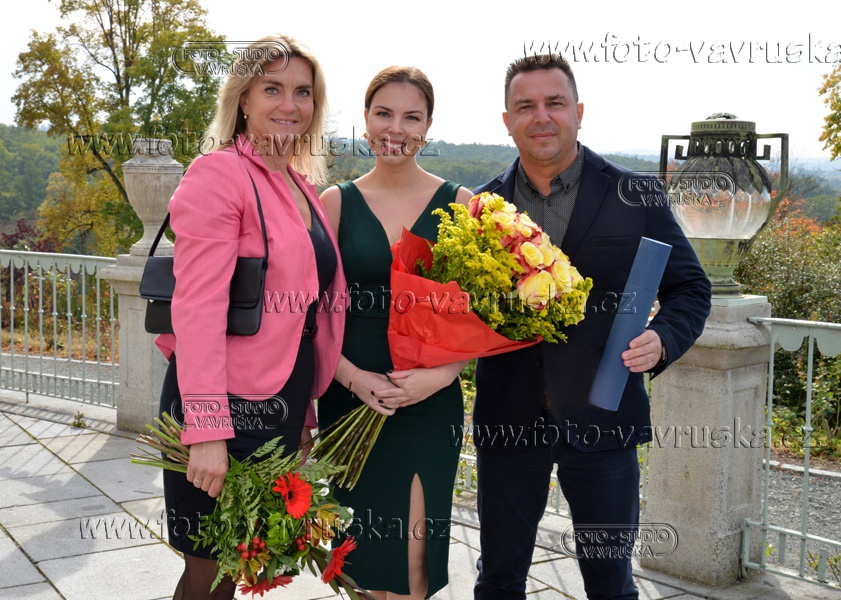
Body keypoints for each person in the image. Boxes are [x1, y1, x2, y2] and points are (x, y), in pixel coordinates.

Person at [471, 53, 712, 600]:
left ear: (578, 112)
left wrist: (663, 339)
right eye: (525, 106)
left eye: (555, 103)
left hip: (605, 418)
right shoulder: (482, 207)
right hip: (509, 420)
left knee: (610, 584)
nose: (541, 117)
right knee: (499, 579)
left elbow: (690, 289)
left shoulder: (636, 194)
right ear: (506, 120)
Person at [153, 35, 346, 600]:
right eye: (272, 89)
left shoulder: (300, 185)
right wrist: (207, 430)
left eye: (303, 92)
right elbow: (198, 309)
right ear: (243, 99)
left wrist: (303, 413)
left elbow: (304, 316)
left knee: (237, 567)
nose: (290, 104)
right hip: (221, 407)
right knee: (207, 573)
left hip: (281, 404)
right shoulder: (219, 174)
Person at [318, 66, 474, 600]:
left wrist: (441, 376)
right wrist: (351, 377)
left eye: (411, 117)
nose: (396, 128)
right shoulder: (334, 203)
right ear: (365, 119)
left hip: (428, 402)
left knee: (412, 564)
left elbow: (480, 314)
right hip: (349, 399)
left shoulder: (461, 203)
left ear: (428, 127)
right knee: (360, 564)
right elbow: (310, 313)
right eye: (384, 113)